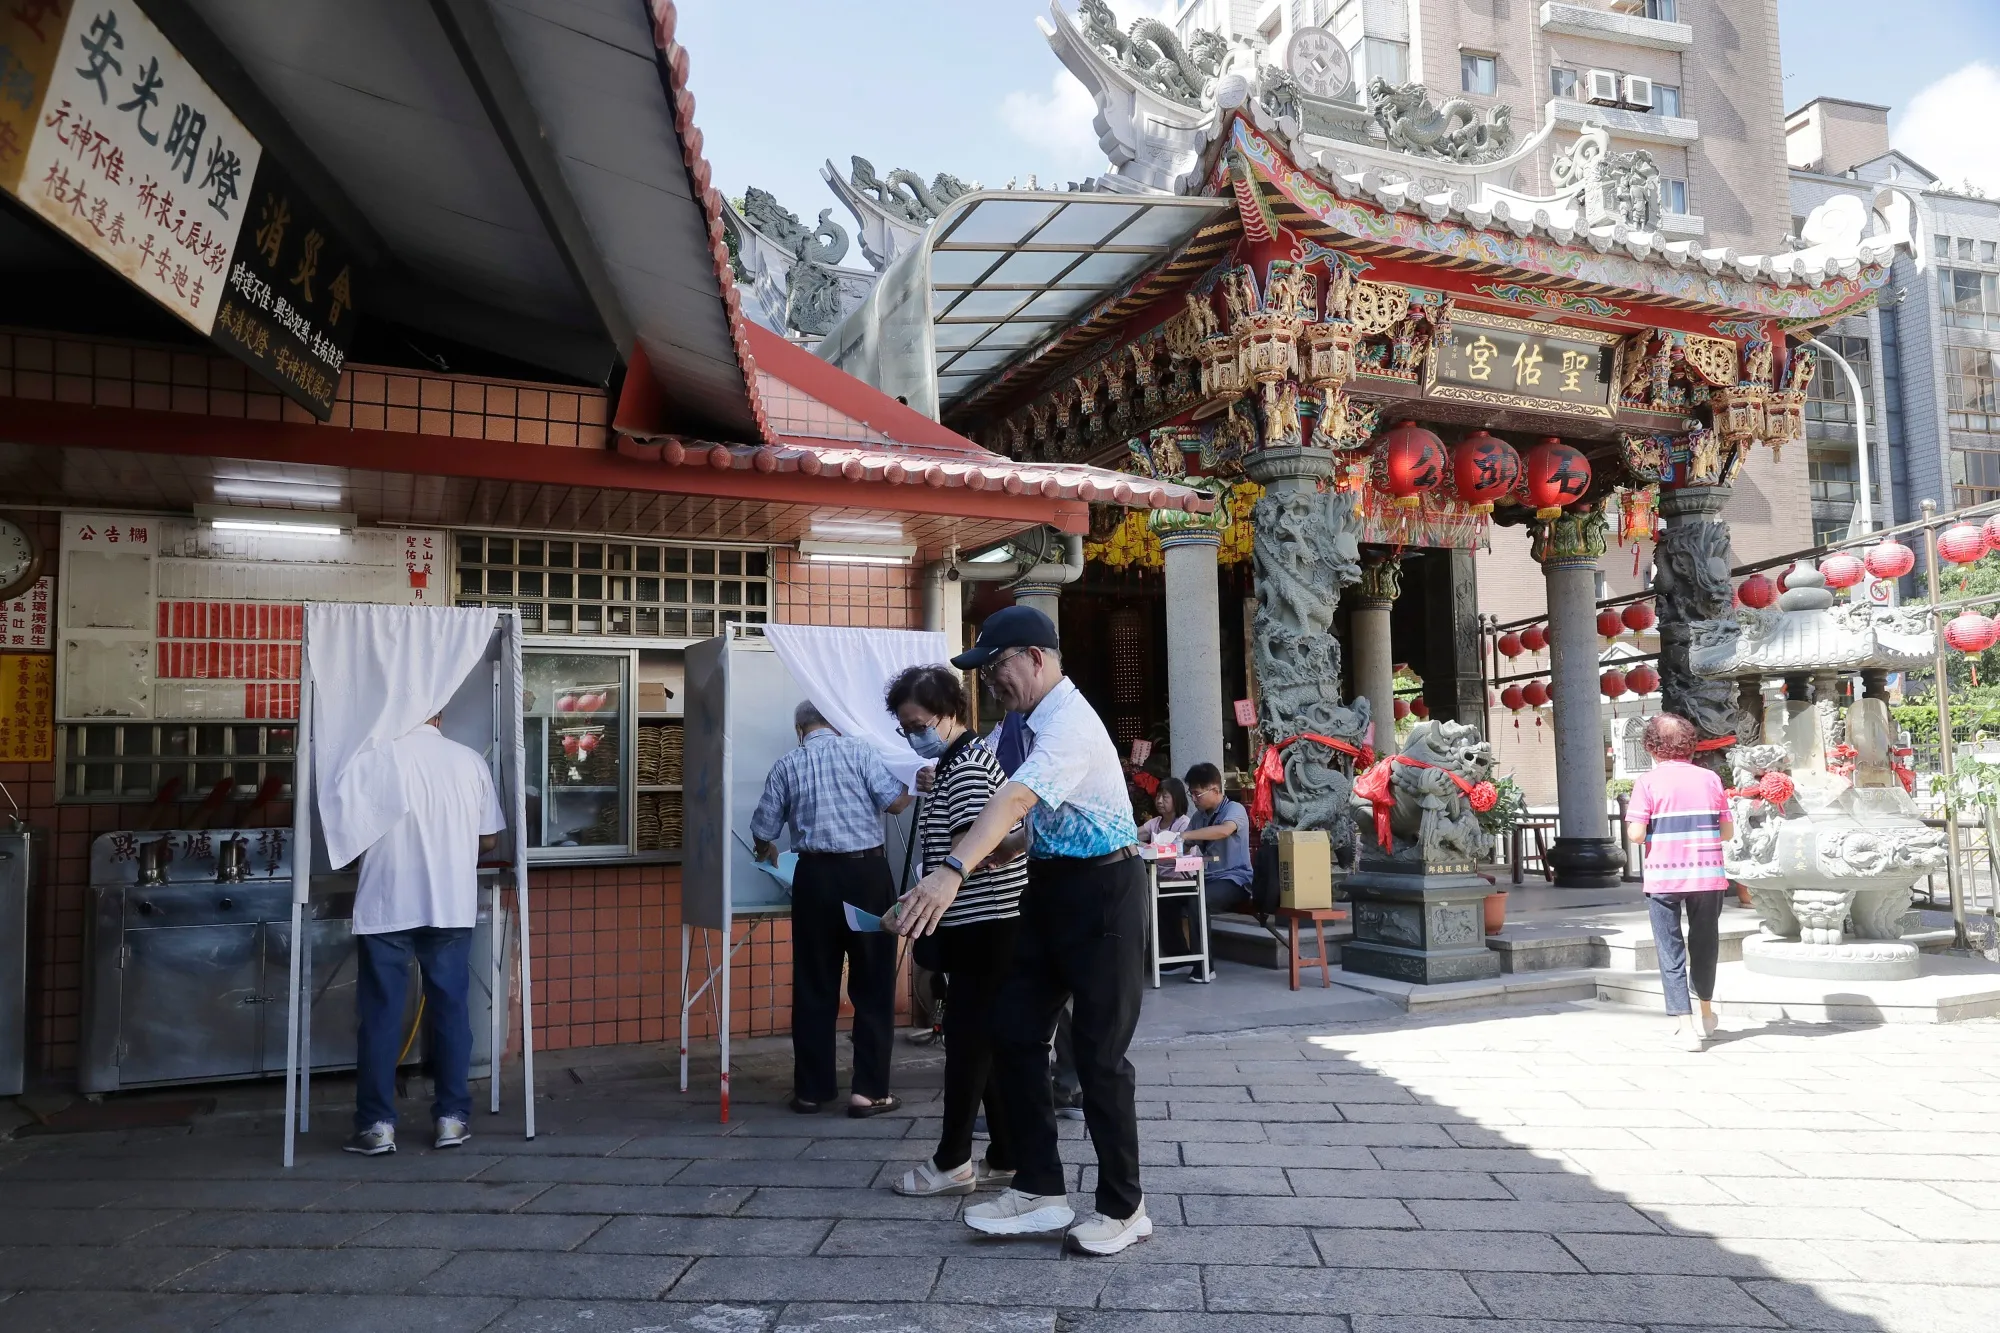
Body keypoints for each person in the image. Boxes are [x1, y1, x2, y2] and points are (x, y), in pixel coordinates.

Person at [896, 604, 1151, 1257]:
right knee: (1010, 1031)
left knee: (1098, 1057)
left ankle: (1125, 1208)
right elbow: (1027, 824)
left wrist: (952, 869)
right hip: (1050, 890)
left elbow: (1012, 798)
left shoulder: (1068, 722)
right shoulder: (1034, 723)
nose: (989, 684)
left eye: (995, 667)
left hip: (1104, 896)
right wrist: (985, 856)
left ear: (1035, 658)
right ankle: (1039, 1189)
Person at [883, 665, 1029, 1196]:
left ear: (948, 716)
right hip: (983, 922)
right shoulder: (955, 764)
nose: (912, 733)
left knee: (968, 1047)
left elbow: (973, 848)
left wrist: (921, 898)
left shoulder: (965, 768)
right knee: (979, 1044)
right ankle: (1008, 1152)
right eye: (904, 727)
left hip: (985, 923)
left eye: (917, 723)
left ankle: (952, 1163)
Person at [345, 714, 506, 1156]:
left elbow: (348, 839)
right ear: (439, 715)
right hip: (450, 904)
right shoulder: (469, 761)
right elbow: (488, 839)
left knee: (380, 1016)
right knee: (451, 1011)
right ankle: (452, 1120)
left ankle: (377, 1126)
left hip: (386, 903)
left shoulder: (372, 761)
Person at [752, 700, 913, 1116]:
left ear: (799, 728)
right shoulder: (861, 752)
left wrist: (766, 846)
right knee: (873, 983)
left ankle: (811, 1091)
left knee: (814, 984)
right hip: (866, 876)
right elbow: (895, 803)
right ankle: (869, 1092)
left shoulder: (787, 764)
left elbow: (763, 828)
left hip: (814, 881)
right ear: (835, 724)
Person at [1623, 713, 1733, 1052]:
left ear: (1652, 747)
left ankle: (1685, 1027)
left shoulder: (1647, 783)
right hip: (1706, 875)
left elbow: (1636, 834)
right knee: (1705, 945)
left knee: (1670, 950)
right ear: (1689, 744)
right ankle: (1707, 1014)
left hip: (1664, 876)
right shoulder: (1710, 779)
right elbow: (1727, 832)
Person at [1137, 777, 1191, 845]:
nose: (1159, 801)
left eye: (1165, 797)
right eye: (1158, 796)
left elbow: (1181, 849)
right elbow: (1132, 836)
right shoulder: (1155, 822)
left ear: (1177, 799)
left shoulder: (1184, 823)